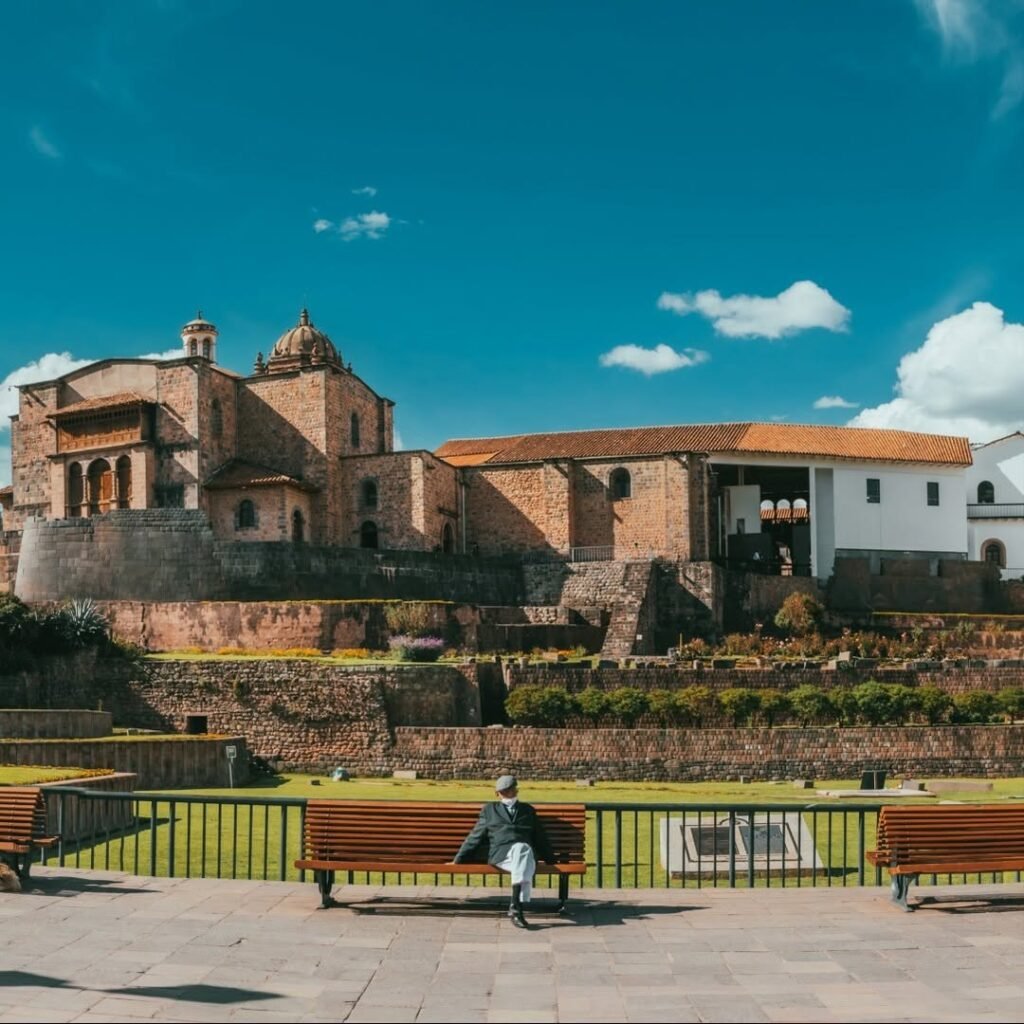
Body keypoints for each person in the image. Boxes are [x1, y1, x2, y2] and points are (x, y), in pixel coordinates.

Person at [452, 774, 554, 928]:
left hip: (523, 856)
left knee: (522, 849)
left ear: (516, 791)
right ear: (497, 794)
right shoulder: (490, 809)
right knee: (523, 850)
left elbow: (540, 837)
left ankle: (516, 908)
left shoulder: (527, 810)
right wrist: (459, 859)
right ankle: (516, 905)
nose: (507, 793)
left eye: (510, 790)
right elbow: (476, 835)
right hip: (501, 856)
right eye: (503, 791)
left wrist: (551, 859)